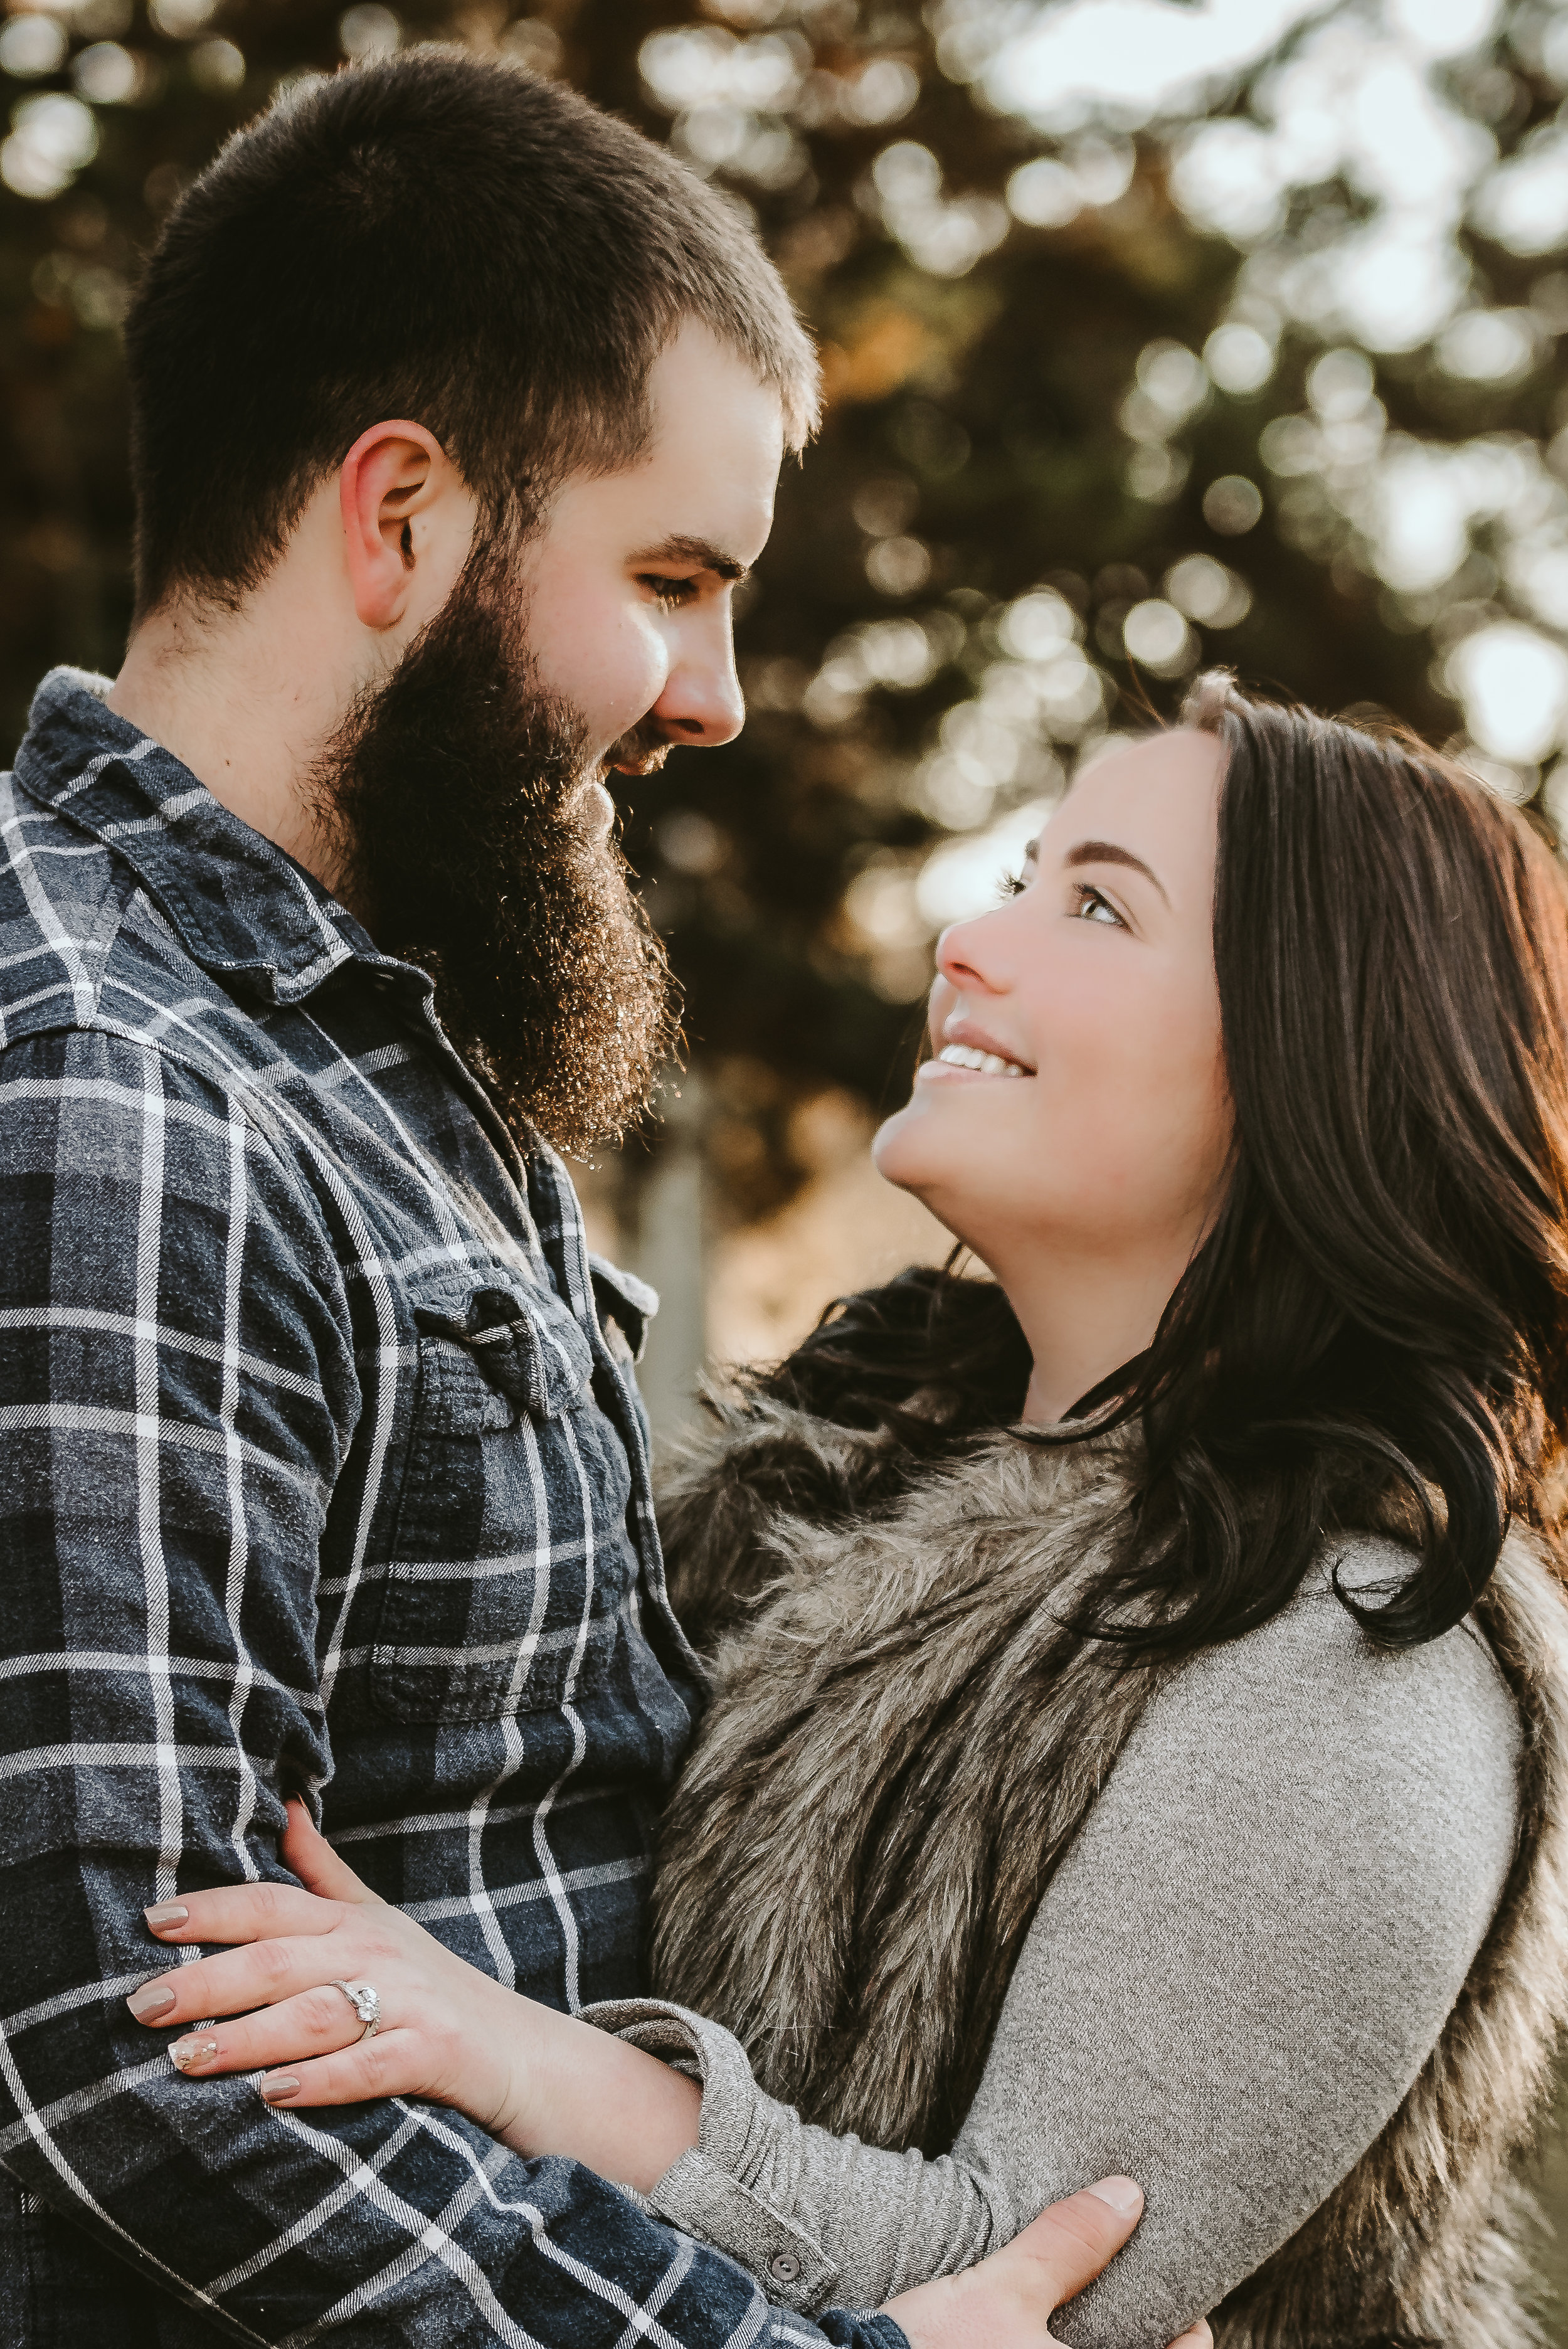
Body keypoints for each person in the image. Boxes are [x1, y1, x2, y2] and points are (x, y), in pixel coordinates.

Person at [0, 43, 1202, 2349]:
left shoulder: (359, 1042)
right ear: (398, 519)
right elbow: (121, 2072)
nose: (721, 697)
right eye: (672, 576)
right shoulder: (121, 1087)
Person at [128, 681, 1568, 2348]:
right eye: (1023, 873)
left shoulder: (1360, 1648)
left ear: (1318, 1045)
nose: (970, 936)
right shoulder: (818, 1482)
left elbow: (1032, 2279)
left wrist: (515, 2052)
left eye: (1096, 903)